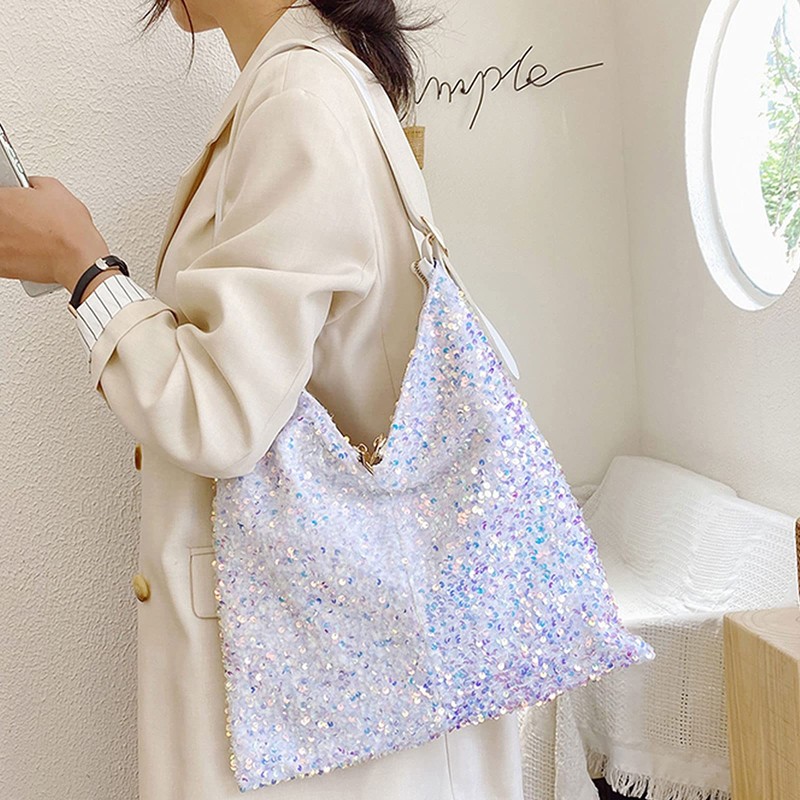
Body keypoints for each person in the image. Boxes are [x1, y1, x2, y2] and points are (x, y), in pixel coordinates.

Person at [0, 1, 527, 798]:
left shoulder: (299, 99)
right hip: (341, 676)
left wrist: (82, 268)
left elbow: (220, 415)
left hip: (305, 696)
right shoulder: (322, 82)